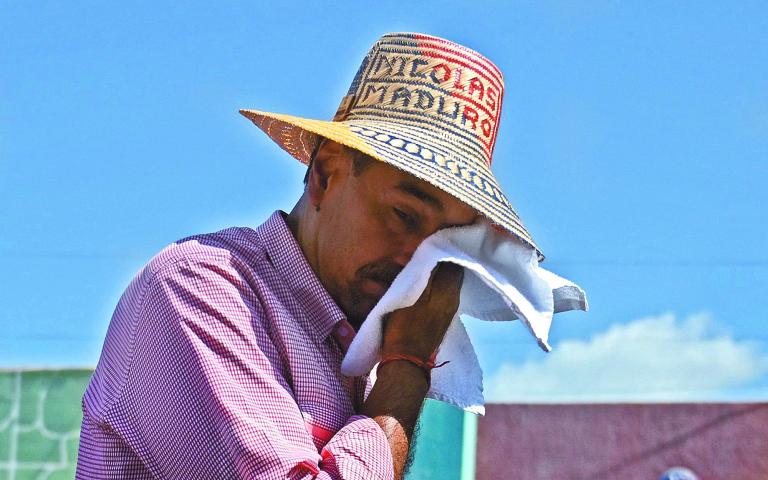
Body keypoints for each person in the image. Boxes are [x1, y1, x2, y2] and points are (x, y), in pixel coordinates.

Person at [76, 32, 544, 479]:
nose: (417, 260)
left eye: (447, 242)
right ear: (324, 174)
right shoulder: (201, 288)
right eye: (404, 216)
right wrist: (407, 366)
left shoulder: (356, 346)